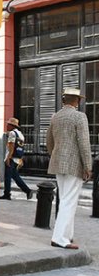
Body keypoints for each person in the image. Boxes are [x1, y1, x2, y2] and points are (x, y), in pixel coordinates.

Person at [46, 88, 93, 250]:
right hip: (74, 164)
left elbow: (49, 142)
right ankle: (59, 238)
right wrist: (88, 166)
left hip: (58, 163)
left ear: (64, 100)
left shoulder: (56, 117)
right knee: (68, 201)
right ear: (77, 101)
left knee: (66, 198)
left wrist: (56, 156)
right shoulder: (80, 117)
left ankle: (67, 235)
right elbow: (84, 143)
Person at [0, 117, 33, 200]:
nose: (7, 126)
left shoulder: (12, 133)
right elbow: (20, 147)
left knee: (7, 177)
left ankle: (7, 194)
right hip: (17, 158)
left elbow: (12, 145)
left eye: (8, 124)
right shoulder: (20, 135)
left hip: (11, 158)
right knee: (15, 176)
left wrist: (8, 157)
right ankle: (27, 191)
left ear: (12, 126)